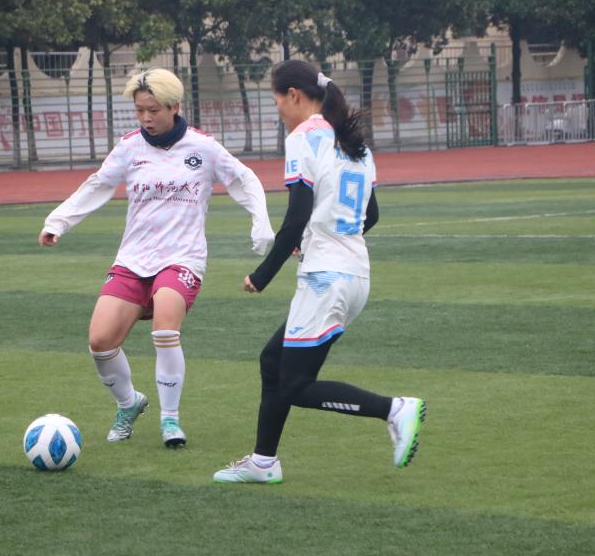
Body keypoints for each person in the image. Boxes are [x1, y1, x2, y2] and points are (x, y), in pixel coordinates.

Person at [213, 60, 426, 484]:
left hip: (326, 278)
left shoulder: (304, 137)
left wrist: (262, 274)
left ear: (293, 95)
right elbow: (370, 216)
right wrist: (320, 238)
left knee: (296, 385)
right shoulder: (355, 144)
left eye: (277, 99)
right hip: (354, 275)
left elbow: (297, 215)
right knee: (273, 361)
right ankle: (263, 462)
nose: (277, 109)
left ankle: (394, 409)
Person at [39, 68, 274, 448]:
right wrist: (58, 222)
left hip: (182, 257)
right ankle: (128, 403)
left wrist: (261, 224)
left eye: (153, 110)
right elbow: (99, 184)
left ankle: (170, 420)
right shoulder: (130, 147)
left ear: (174, 106)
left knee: (165, 326)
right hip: (134, 257)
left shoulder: (203, 147)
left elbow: (244, 179)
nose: (146, 118)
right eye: (139, 110)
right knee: (100, 341)